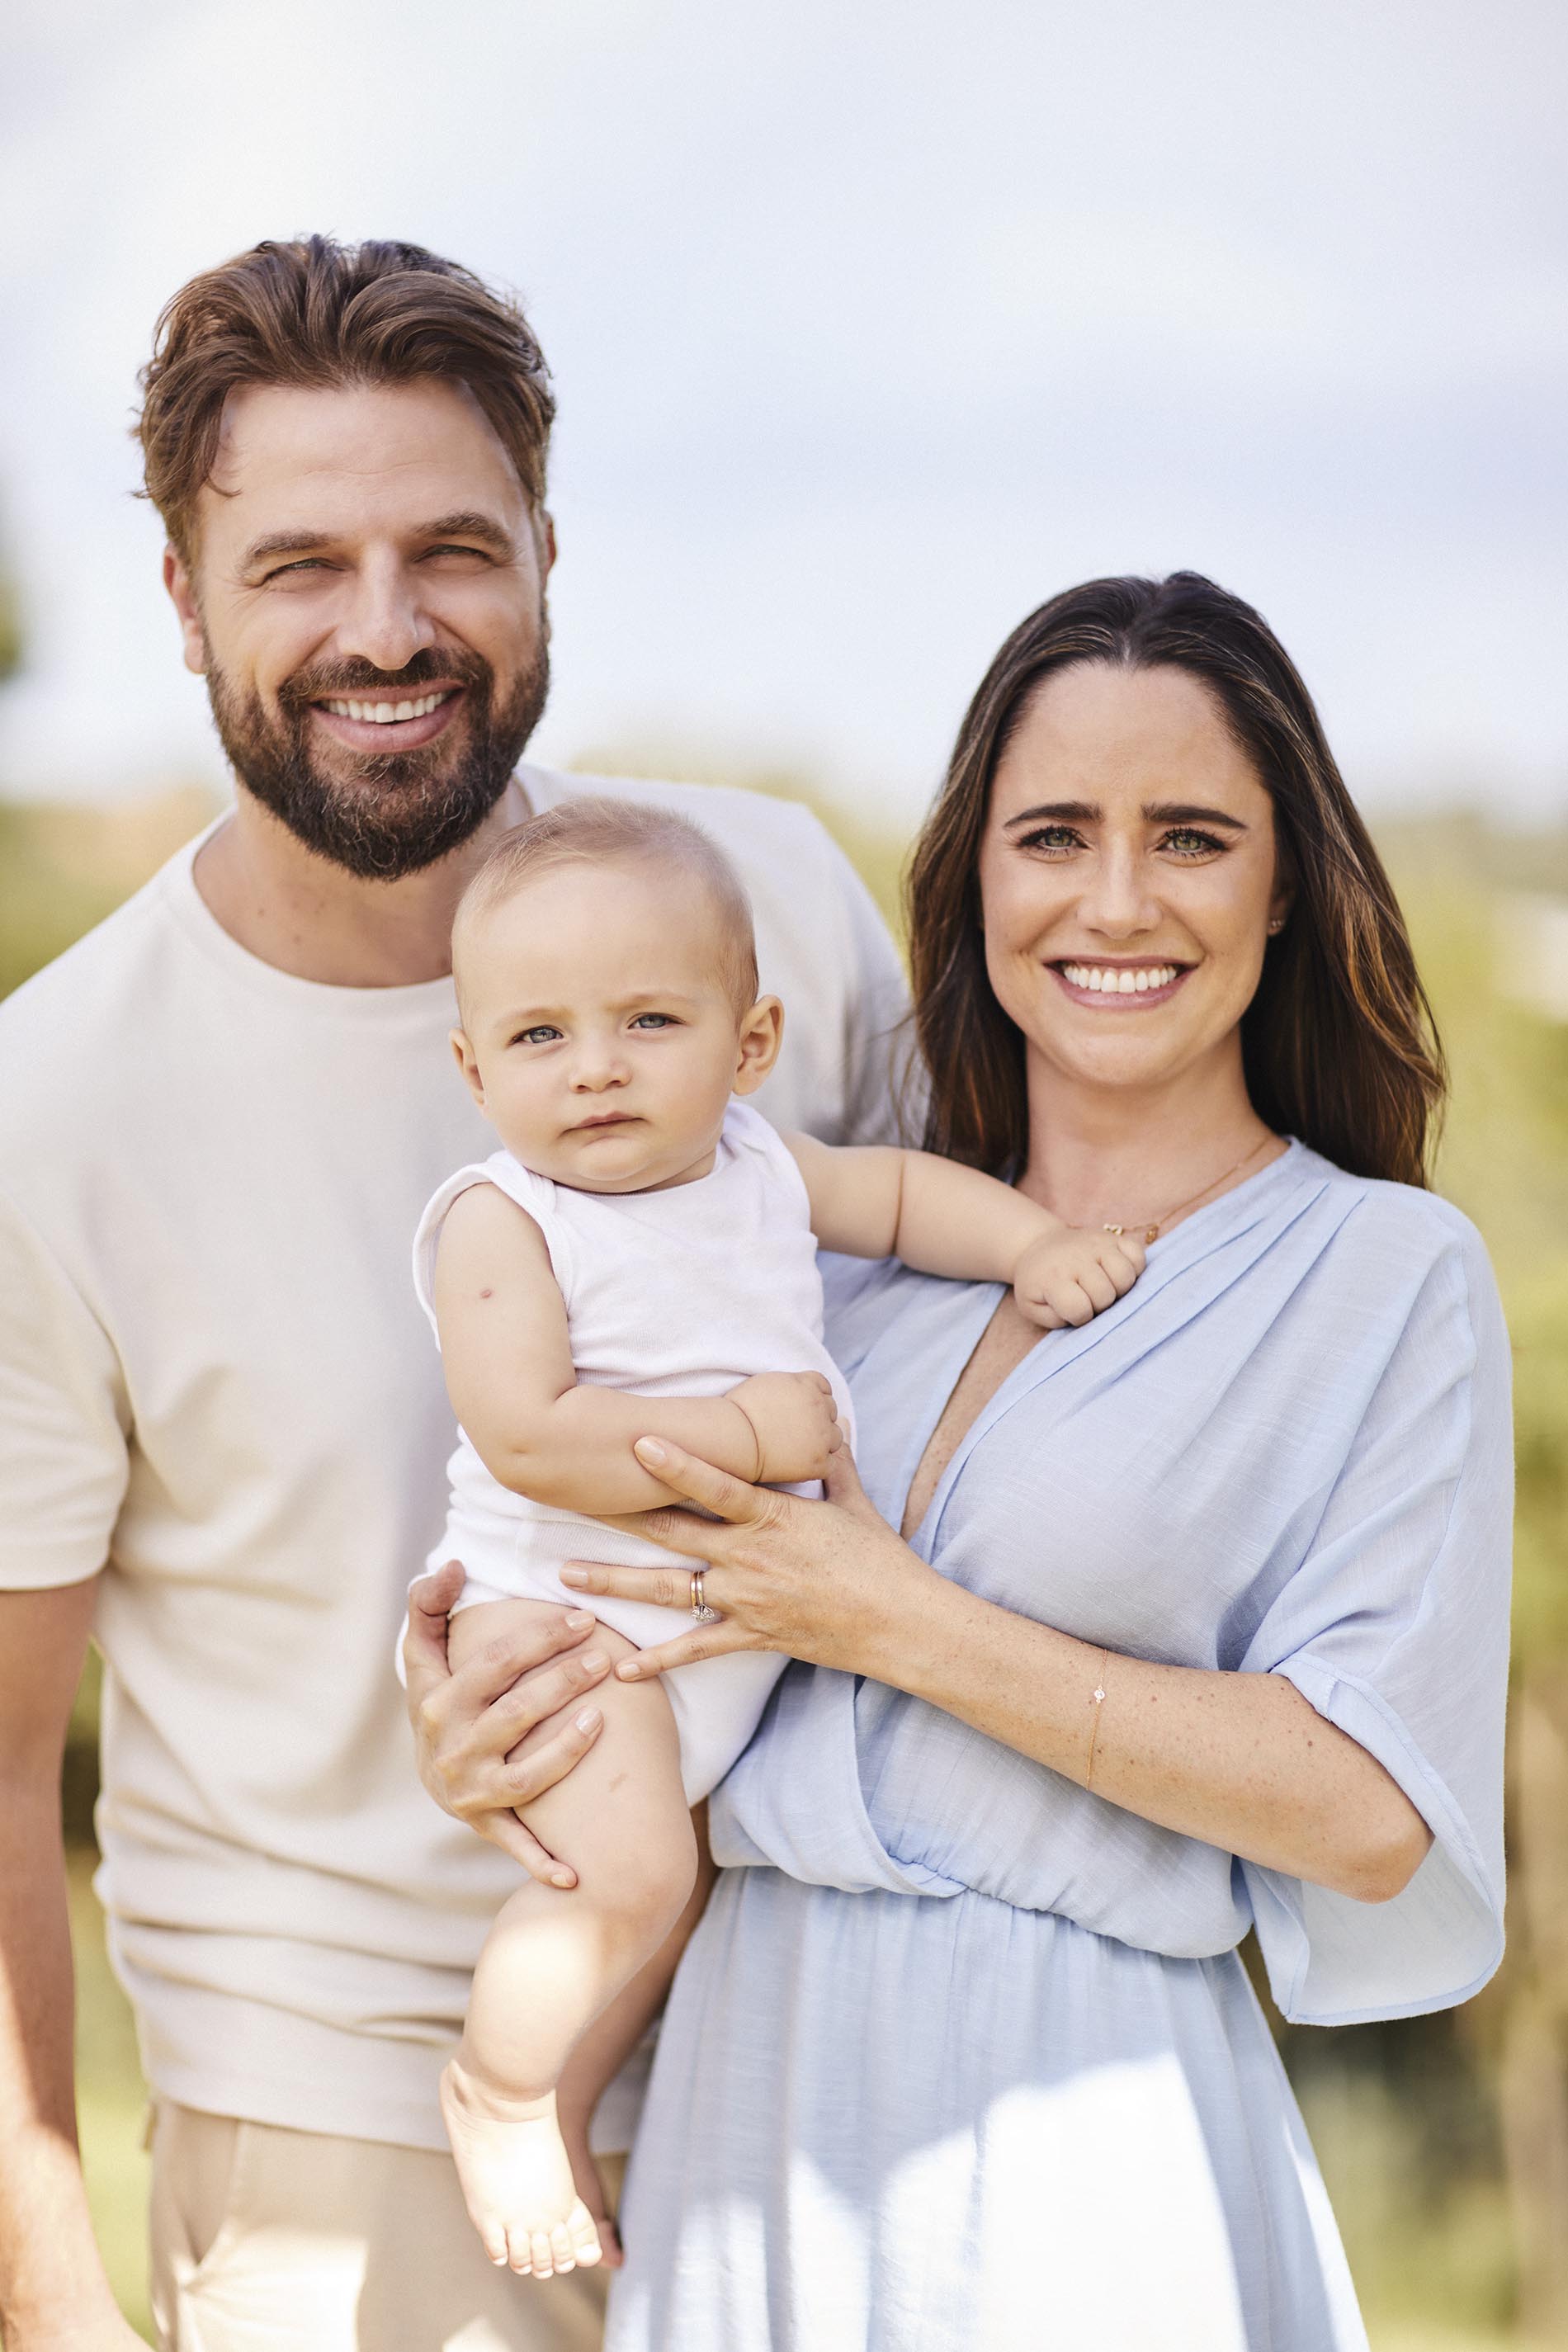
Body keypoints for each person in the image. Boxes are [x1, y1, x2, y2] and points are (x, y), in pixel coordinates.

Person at [417, 573, 1511, 2350]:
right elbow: (594, 1520)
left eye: (1190, 838)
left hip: (1070, 2115)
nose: (1113, 900)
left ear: (1285, 882)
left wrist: (895, 1621)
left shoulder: (1378, 1277)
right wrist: (475, 1706)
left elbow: (1371, 1812)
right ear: (975, 873)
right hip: (740, 2092)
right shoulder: (818, 1231)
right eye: (1051, 834)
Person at [0, 235, 911, 2352]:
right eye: (301, 561)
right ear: (180, 593)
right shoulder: (47, 1108)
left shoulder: (775, 906)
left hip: (825, 2066)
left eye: (452, 550)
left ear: (549, 558)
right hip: (355, 2166)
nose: (386, 630)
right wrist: (44, 2307)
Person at [416, 797, 1143, 2279]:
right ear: (474, 1065)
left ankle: (554, 2094)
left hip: (701, 1630)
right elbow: (530, 1432)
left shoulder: (756, 1163)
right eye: (541, 1036)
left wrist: (1030, 1247)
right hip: (564, 1616)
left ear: (749, 1044)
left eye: (649, 1019)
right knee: (634, 1886)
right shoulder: (505, 1219)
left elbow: (892, 1196)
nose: (598, 1065)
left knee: (664, 1901)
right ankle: (499, 2091)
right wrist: (765, 1432)